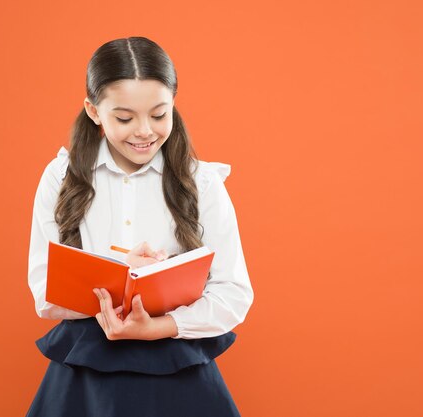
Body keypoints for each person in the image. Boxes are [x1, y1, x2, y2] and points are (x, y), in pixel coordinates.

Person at [26, 36, 254, 417]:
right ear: (94, 111)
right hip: (87, 377)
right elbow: (44, 294)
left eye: (160, 114)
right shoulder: (61, 178)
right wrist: (119, 276)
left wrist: (160, 325)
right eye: (125, 118)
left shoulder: (202, 182)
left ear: (174, 106)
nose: (145, 131)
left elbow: (234, 295)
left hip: (178, 368)